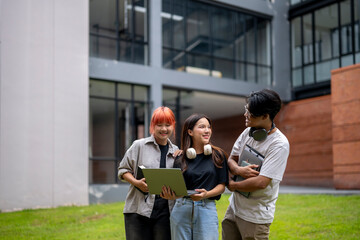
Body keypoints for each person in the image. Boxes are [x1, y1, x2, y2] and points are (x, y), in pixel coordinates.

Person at [222, 89, 290, 240]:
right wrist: (239, 170)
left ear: (265, 116)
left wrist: (234, 186)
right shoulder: (247, 132)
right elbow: (231, 159)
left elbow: (261, 182)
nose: (245, 115)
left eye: (250, 112)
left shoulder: (279, 144)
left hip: (255, 217)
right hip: (234, 209)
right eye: (246, 110)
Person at [161, 113, 229, 240]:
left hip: (206, 209)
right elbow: (178, 189)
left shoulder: (218, 155)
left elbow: (222, 186)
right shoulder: (180, 158)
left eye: (209, 127)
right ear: (190, 132)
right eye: (202, 127)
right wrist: (171, 195)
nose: (207, 130)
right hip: (181, 209)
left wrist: (206, 194)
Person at [118, 106, 178, 240]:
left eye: (168, 125)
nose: (164, 129)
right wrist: (136, 183)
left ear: (173, 126)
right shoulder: (139, 145)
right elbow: (123, 170)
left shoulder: (176, 152)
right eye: (159, 125)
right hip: (138, 210)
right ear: (152, 126)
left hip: (165, 213)